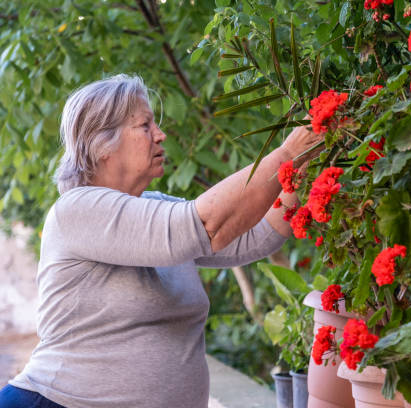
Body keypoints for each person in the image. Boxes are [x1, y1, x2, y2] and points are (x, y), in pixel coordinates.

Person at [0, 74, 322, 408]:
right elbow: (204, 223)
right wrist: (288, 154)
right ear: (102, 144)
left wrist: (302, 168)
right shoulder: (77, 210)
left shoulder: (154, 207)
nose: (160, 134)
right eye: (144, 125)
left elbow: (251, 237)